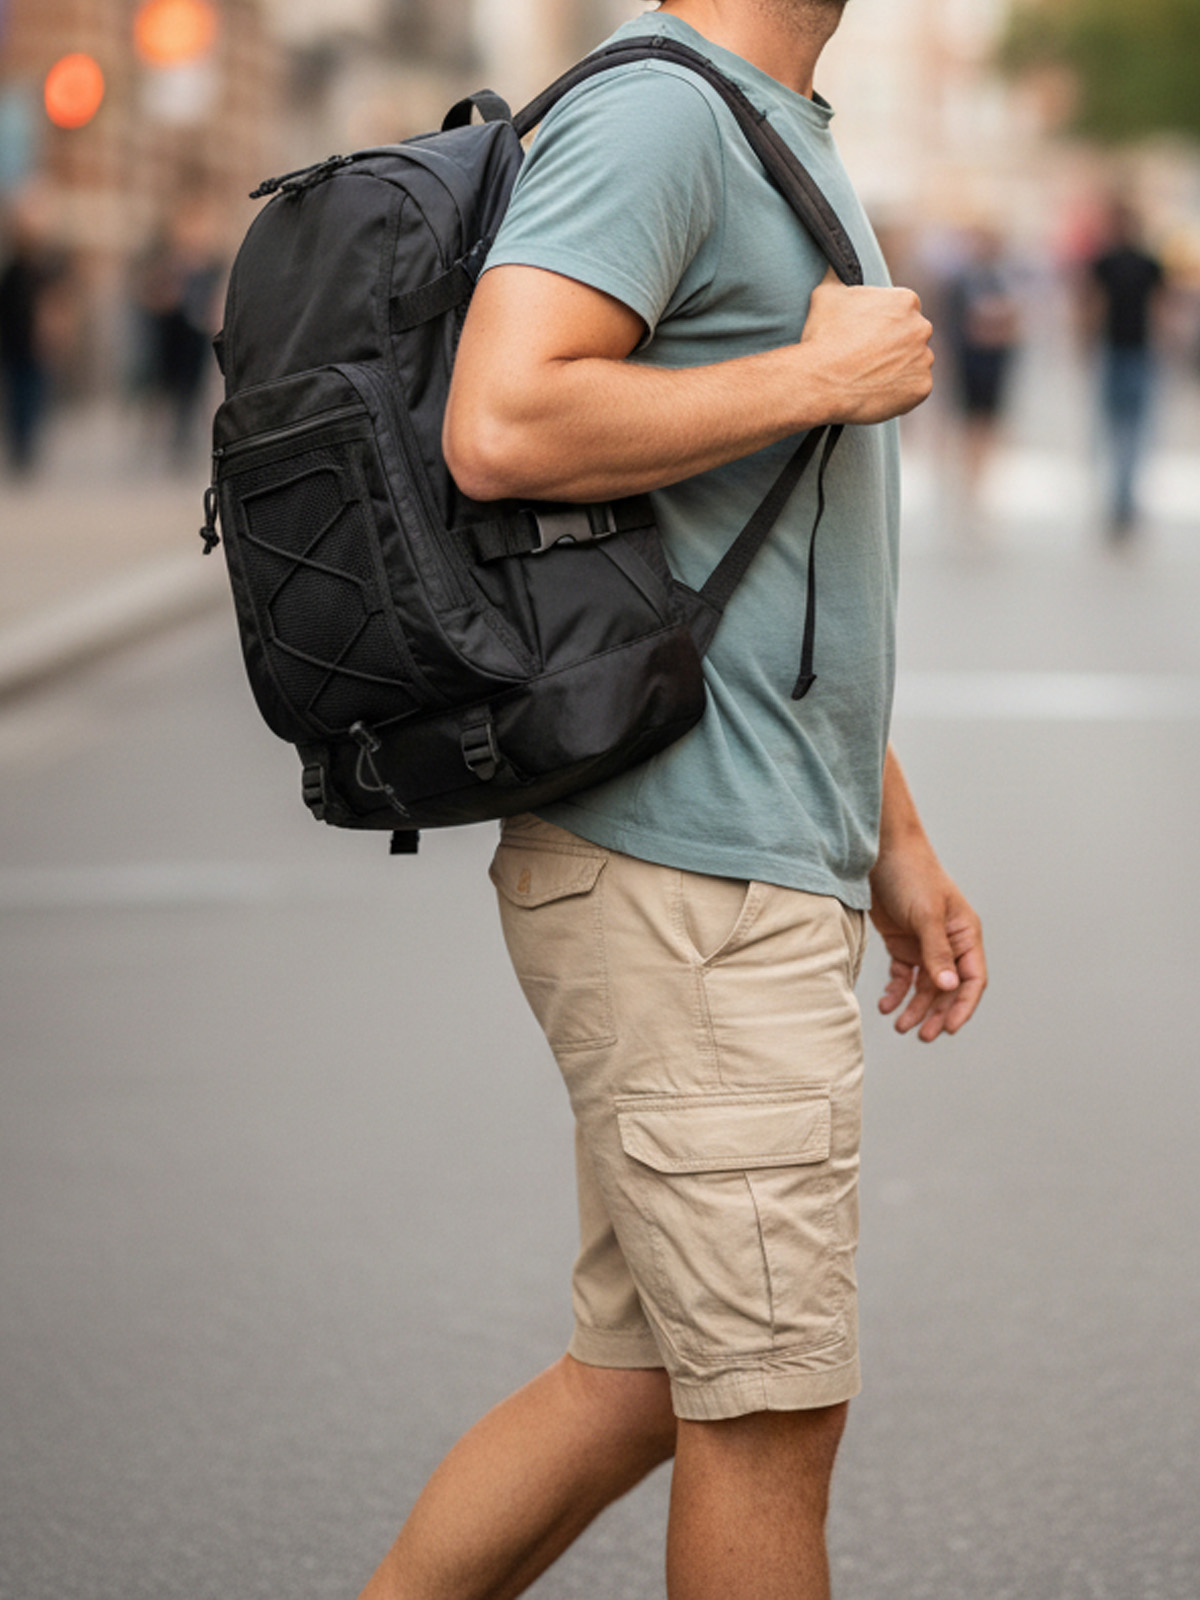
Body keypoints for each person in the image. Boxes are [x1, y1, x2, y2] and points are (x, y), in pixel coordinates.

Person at [359, 3, 987, 1597]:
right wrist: (815, 374)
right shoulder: (668, 118)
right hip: (690, 887)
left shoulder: (762, 119)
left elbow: (743, 569)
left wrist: (894, 838)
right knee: (768, 1415)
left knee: (639, 1386)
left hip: (724, 859)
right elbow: (502, 423)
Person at [1086, 199, 1166, 539]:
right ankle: (1123, 499)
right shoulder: (1147, 263)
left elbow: (1095, 306)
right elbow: (1159, 310)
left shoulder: (1109, 263)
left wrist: (1085, 343)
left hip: (1122, 351)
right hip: (1132, 351)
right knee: (1131, 430)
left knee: (1117, 429)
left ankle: (1121, 498)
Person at [941, 223, 1022, 522]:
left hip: (994, 361)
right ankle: (968, 473)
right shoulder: (964, 280)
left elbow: (1012, 320)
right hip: (971, 359)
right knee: (969, 418)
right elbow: (969, 322)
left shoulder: (1002, 279)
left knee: (987, 418)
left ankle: (979, 474)